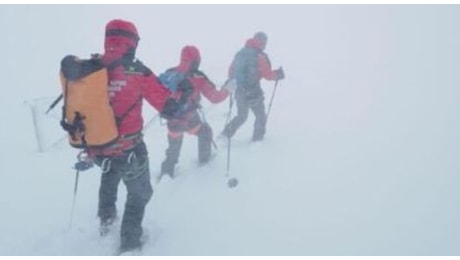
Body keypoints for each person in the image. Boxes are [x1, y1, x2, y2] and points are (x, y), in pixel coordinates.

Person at [85, 19, 171, 253]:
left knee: (109, 174)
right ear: (132, 42)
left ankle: (106, 218)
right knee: (141, 192)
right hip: (129, 148)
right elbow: (167, 104)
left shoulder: (91, 67)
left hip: (98, 147)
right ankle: (130, 243)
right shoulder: (137, 71)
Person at [159, 45, 231, 179]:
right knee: (205, 132)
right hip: (189, 118)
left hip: (172, 119)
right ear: (197, 60)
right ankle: (204, 163)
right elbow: (215, 97)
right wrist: (228, 90)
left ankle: (166, 173)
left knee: (173, 147)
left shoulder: (170, 72)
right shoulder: (198, 77)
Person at [221, 32, 285, 142]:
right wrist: (278, 74)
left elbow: (231, 71)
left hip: (239, 90)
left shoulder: (240, 53)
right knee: (260, 115)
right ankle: (257, 140)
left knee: (242, 115)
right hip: (253, 91)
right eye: (265, 43)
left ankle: (225, 134)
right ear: (262, 42)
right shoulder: (259, 56)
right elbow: (268, 75)